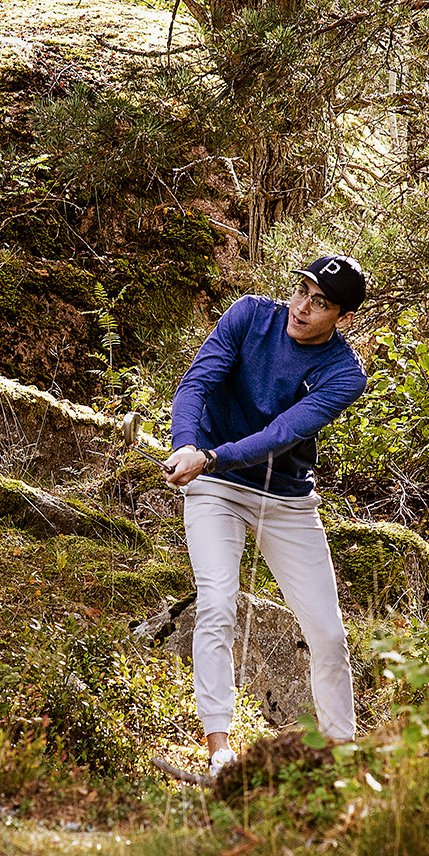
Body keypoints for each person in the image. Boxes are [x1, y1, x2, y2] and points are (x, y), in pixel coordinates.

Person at [163, 255, 368, 776]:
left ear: (341, 318)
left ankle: (340, 756)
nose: (301, 306)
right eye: (301, 290)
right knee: (216, 603)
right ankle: (220, 752)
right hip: (214, 486)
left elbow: (281, 434)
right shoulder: (250, 315)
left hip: (287, 501)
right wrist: (187, 443)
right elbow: (195, 385)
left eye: (320, 303)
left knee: (328, 633)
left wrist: (209, 455)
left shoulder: (344, 374)